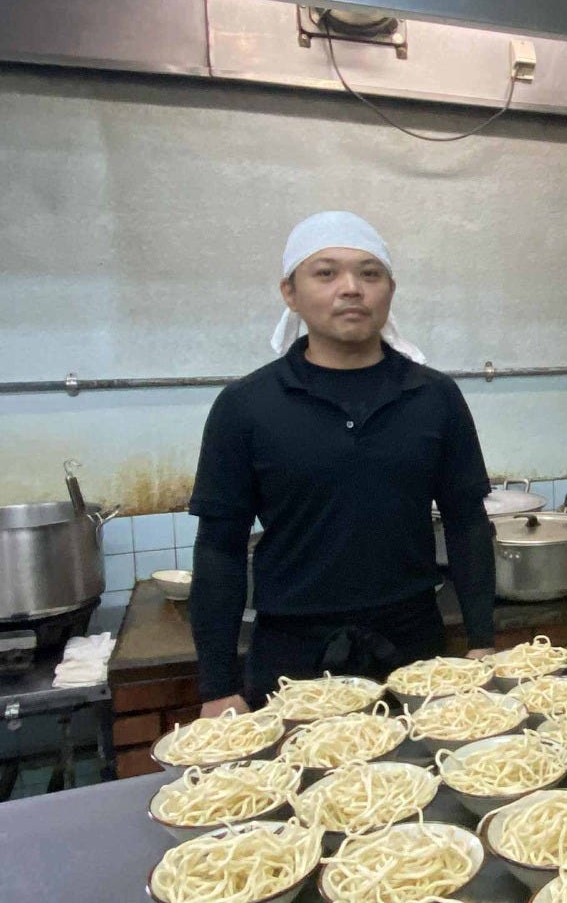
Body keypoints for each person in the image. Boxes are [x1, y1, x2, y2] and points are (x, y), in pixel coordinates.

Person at [188, 211, 496, 716]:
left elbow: (467, 523)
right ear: (290, 292)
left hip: (414, 653)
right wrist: (218, 686)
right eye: (326, 273)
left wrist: (482, 640)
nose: (351, 288)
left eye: (370, 273)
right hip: (292, 658)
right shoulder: (247, 406)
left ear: (390, 290)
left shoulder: (433, 396)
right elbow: (219, 547)